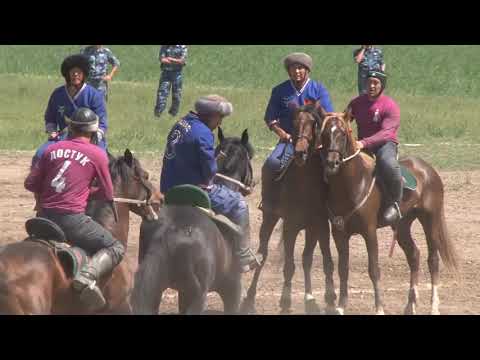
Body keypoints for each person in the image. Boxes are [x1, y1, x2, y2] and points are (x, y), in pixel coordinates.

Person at [24, 107, 125, 311]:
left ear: (70, 128)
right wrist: (86, 189)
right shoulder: (98, 154)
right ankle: (87, 276)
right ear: (93, 132)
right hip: (72, 220)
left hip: (43, 218)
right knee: (116, 247)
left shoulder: (51, 150)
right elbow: (107, 193)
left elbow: (30, 184)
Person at [160, 95, 261, 272]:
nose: (220, 123)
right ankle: (243, 253)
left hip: (169, 189)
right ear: (211, 115)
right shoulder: (204, 134)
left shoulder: (181, 124)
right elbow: (210, 172)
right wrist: (214, 161)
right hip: (195, 191)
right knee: (239, 204)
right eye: (220, 118)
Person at [262, 52, 334, 212]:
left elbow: (328, 116)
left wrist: (321, 139)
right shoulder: (280, 91)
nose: (297, 72)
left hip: (316, 142)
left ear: (307, 70)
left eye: (300, 68)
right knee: (272, 164)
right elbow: (270, 118)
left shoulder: (318, 89)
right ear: (289, 71)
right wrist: (282, 134)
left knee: (332, 168)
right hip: (290, 140)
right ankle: (269, 200)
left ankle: (333, 205)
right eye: (293, 69)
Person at [347, 70, 402, 225]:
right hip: (362, 144)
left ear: (382, 85)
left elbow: (386, 133)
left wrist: (363, 143)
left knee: (389, 164)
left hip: (385, 145)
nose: (371, 85)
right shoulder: (356, 103)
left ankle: (395, 204)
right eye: (369, 82)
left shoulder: (390, 105)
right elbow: (345, 121)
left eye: (375, 83)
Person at [35, 54, 108, 165]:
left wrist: (95, 137)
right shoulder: (57, 94)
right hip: (63, 137)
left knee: (102, 159)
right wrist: (52, 131)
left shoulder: (94, 95)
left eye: (79, 72)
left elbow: (102, 123)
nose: (75, 74)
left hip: (89, 137)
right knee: (40, 155)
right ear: (67, 74)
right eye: (72, 72)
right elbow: (50, 118)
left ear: (84, 74)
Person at [154, 45, 188, 118]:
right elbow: (162, 59)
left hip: (177, 74)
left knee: (177, 95)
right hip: (166, 73)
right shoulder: (165, 46)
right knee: (161, 94)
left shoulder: (182, 47)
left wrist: (170, 59)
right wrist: (176, 60)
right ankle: (158, 114)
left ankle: (173, 114)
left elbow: (182, 61)